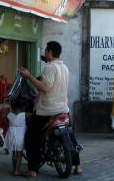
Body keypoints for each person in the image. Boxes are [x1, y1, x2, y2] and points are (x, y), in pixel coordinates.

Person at [19, 41, 82, 178]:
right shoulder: (64, 67)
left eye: (46, 50)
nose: (45, 52)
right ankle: (78, 166)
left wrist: (29, 76)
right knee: (70, 135)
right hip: (63, 110)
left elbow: (46, 88)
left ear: (50, 52)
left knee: (31, 137)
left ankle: (32, 170)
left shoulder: (50, 67)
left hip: (47, 111)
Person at [4, 99, 28, 176]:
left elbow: (4, 119)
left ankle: (14, 168)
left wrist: (8, 113)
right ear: (21, 107)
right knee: (19, 153)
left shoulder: (9, 115)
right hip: (20, 136)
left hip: (11, 135)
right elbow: (33, 113)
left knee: (14, 152)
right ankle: (16, 170)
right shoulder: (24, 114)